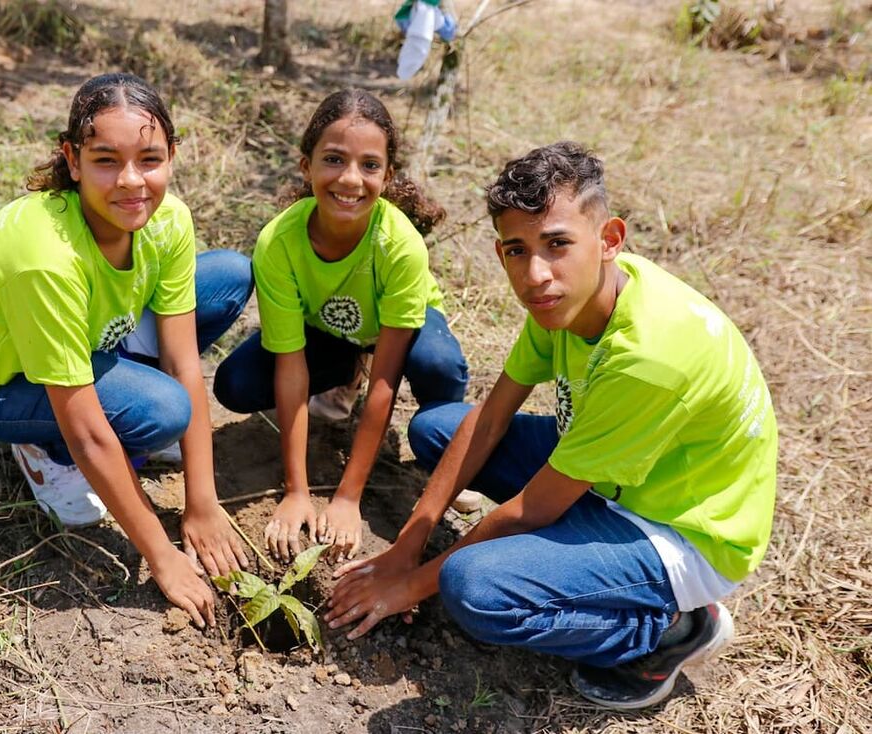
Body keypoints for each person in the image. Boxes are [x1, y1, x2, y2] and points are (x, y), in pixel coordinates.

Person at [325, 142, 777, 710]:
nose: (536, 274)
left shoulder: (649, 358)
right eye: (517, 250)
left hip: (680, 528)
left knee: (474, 589)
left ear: (609, 240)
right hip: (617, 472)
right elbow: (491, 416)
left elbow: (535, 509)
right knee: (440, 428)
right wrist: (408, 543)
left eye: (558, 244)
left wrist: (409, 583)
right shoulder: (566, 299)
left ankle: (669, 635)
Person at [0, 73, 254, 629]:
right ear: (72, 160)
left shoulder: (168, 217)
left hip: (91, 332)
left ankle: (125, 401)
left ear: (172, 155)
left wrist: (203, 502)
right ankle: (41, 452)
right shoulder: (43, 255)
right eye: (106, 160)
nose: (132, 182)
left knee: (227, 276)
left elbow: (184, 362)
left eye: (149, 160)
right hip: (2, 383)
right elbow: (87, 430)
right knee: (164, 411)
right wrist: (162, 554)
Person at [213, 89, 468, 563]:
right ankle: (348, 368)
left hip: (395, 330)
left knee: (438, 363)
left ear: (388, 176)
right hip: (330, 331)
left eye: (370, 165)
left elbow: (387, 381)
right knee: (237, 383)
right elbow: (290, 367)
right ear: (305, 166)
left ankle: (448, 458)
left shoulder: (400, 246)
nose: (351, 179)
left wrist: (347, 498)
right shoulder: (279, 243)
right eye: (333, 159)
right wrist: (297, 491)